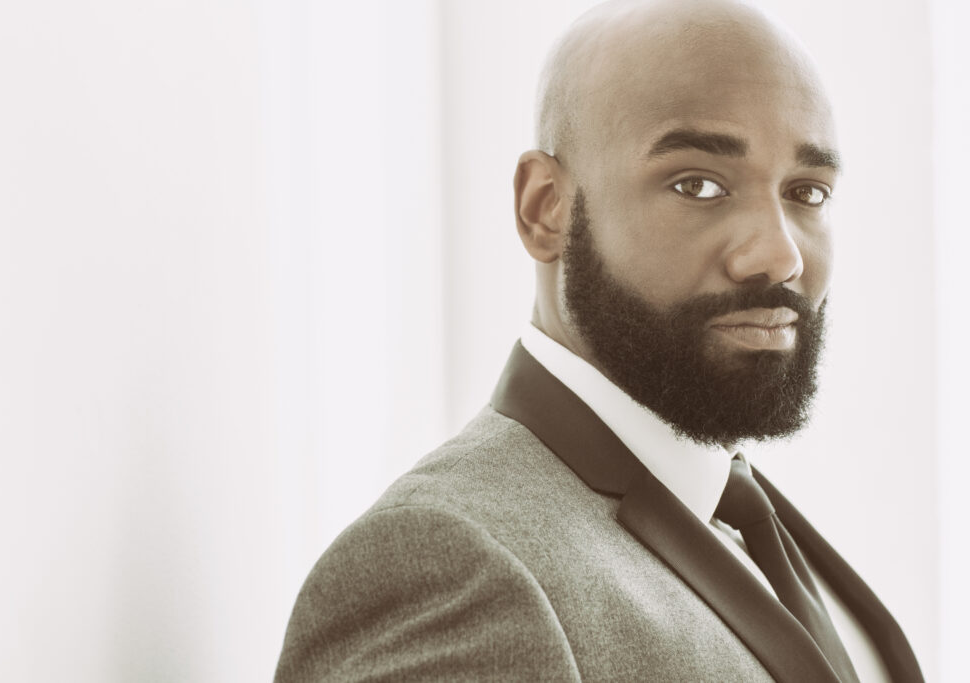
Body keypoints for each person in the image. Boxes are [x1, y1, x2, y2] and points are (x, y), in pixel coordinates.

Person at [275, 0, 924, 680]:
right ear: (544, 209)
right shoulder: (448, 566)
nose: (780, 255)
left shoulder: (746, 518)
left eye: (808, 192)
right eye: (698, 184)